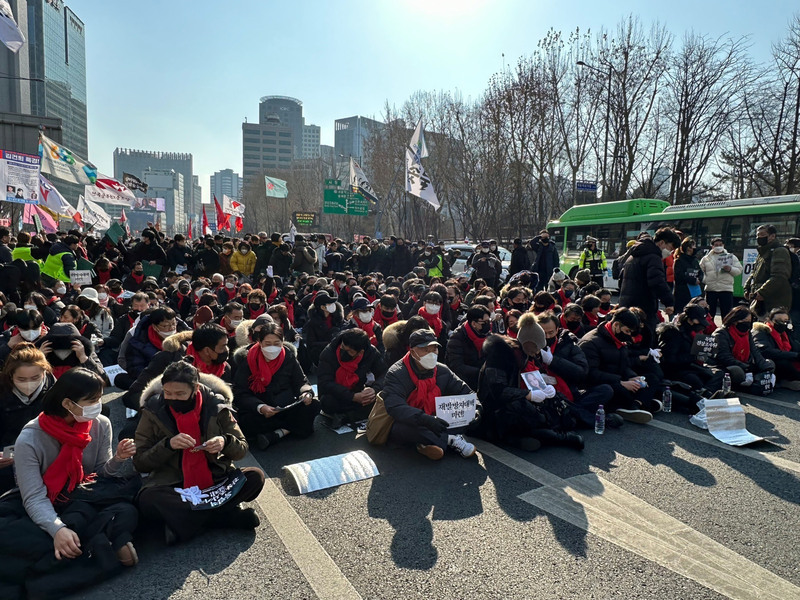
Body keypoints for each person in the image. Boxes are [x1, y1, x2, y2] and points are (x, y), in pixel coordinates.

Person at [11, 368, 139, 596]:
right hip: (48, 502)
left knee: (128, 507)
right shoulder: (30, 438)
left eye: (99, 398)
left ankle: (81, 549)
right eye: (92, 400)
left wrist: (118, 459)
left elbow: (100, 474)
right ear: (68, 404)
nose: (98, 405)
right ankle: (102, 545)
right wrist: (57, 529)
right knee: (16, 535)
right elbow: (33, 497)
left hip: (83, 496)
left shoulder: (100, 424)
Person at [134, 361, 265, 545]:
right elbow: (140, 462)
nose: (173, 398)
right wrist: (168, 445)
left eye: (180, 394)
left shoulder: (216, 405)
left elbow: (241, 448)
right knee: (148, 499)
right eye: (168, 393)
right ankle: (224, 518)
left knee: (254, 477)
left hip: (214, 478)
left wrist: (224, 442)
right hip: (173, 483)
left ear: (195, 388)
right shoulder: (153, 410)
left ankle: (189, 523)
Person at [475, 316, 585, 452]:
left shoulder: (523, 352)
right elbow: (498, 391)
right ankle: (557, 437)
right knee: (526, 410)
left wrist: (544, 388)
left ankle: (523, 436)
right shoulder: (499, 355)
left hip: (513, 401)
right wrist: (528, 395)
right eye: (537, 347)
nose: (538, 351)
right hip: (495, 409)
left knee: (551, 402)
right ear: (529, 343)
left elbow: (531, 378)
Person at [380, 330, 480, 460]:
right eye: (425, 350)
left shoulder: (442, 370)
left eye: (434, 350)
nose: (431, 354)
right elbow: (395, 406)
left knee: (461, 419)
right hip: (410, 420)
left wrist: (477, 408)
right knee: (402, 428)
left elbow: (466, 391)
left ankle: (426, 443)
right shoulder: (396, 373)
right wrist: (425, 419)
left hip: (435, 416)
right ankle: (451, 440)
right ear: (412, 351)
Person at [232, 323, 318, 449]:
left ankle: (279, 433)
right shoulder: (247, 359)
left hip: (286, 406)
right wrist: (260, 407)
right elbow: (240, 393)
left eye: (277, 343)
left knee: (313, 405)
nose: (272, 347)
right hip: (261, 409)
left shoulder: (288, 356)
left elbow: (301, 381)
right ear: (259, 342)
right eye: (267, 343)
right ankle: (290, 428)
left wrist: (305, 393)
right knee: (247, 423)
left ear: (282, 342)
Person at [536, 312, 619, 429]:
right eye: (543, 333)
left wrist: (553, 361)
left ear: (557, 330)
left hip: (571, 391)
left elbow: (582, 372)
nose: (548, 336)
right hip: (546, 395)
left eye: (551, 332)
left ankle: (571, 415)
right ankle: (594, 420)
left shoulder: (569, 343)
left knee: (606, 390)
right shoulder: (531, 346)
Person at [578, 308, 661, 423]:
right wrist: (620, 382)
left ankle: (636, 405)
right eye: (627, 331)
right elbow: (591, 374)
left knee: (651, 379)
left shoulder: (618, 339)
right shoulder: (591, 343)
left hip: (616, 378)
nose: (628, 335)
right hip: (600, 383)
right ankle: (635, 404)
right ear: (616, 325)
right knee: (615, 390)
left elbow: (624, 364)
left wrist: (631, 376)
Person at [0, 343, 56, 493]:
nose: (29, 384)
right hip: (7, 454)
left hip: (44, 452)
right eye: (22, 379)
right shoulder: (2, 393)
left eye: (35, 377)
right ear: (11, 376)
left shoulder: (55, 392)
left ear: (45, 372)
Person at [318, 328, 387, 428]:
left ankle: (345, 416)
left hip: (358, 391)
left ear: (360, 352)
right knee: (328, 402)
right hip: (336, 394)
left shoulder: (371, 353)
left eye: (349, 351)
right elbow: (325, 383)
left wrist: (374, 390)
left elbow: (384, 373)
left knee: (380, 399)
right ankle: (352, 414)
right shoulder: (329, 353)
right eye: (342, 347)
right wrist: (352, 397)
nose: (344, 352)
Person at [656, 305, 723, 406]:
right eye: (698, 321)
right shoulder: (674, 333)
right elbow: (669, 360)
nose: (700, 325)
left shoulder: (692, 334)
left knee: (718, 374)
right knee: (695, 380)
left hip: (690, 366)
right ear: (690, 320)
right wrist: (692, 357)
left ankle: (706, 394)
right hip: (676, 370)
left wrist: (705, 354)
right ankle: (703, 396)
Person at [617, 228, 680, 332]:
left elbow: (621, 278)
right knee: (645, 338)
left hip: (627, 304)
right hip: (644, 307)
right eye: (670, 248)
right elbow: (657, 282)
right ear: (662, 242)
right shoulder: (653, 257)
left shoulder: (635, 253)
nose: (671, 252)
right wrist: (669, 302)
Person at [709, 306, 775, 395]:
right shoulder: (721, 333)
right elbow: (724, 357)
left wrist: (765, 366)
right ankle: (746, 385)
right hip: (728, 365)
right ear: (735, 320)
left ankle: (756, 382)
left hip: (746, 364)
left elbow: (754, 351)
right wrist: (746, 367)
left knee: (770, 363)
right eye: (744, 321)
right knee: (737, 371)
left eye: (749, 321)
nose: (747, 324)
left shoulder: (747, 333)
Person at [744, 224, 792, 318]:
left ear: (772, 236)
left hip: (773, 301)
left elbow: (779, 276)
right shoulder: (762, 252)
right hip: (760, 302)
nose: (759, 238)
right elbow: (754, 273)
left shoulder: (779, 251)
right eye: (757, 235)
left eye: (762, 235)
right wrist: (747, 288)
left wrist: (762, 293)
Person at [446, 304, 492, 390]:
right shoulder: (457, 338)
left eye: (489, 321)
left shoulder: (488, 336)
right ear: (474, 323)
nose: (488, 325)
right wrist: (481, 372)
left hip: (484, 382)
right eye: (484, 322)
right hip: (463, 384)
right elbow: (457, 366)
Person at [752, 307, 800, 390]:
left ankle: (788, 381)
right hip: (770, 363)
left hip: (787, 359)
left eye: (786, 321)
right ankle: (783, 382)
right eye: (779, 321)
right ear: (770, 320)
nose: (783, 323)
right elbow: (765, 350)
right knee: (784, 363)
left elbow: (795, 347)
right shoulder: (761, 331)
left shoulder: (786, 333)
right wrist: (794, 355)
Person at [699, 238, 743, 320]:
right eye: (716, 245)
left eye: (720, 245)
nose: (718, 247)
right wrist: (705, 280)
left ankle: (726, 330)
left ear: (723, 245)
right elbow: (700, 272)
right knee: (709, 313)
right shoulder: (706, 259)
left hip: (726, 289)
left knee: (727, 314)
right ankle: (708, 330)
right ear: (712, 246)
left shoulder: (731, 257)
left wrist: (730, 269)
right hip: (711, 289)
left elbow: (739, 270)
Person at [304, 291, 344, 366]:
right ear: (323, 307)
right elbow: (311, 343)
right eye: (330, 304)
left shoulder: (337, 318)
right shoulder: (312, 323)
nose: (333, 305)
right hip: (323, 353)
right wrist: (329, 343)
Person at [673, 237, 703, 314]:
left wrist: (699, 279)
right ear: (688, 248)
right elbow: (679, 276)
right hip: (683, 292)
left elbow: (700, 272)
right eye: (693, 246)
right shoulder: (679, 261)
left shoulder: (695, 260)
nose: (695, 248)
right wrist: (692, 280)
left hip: (695, 292)